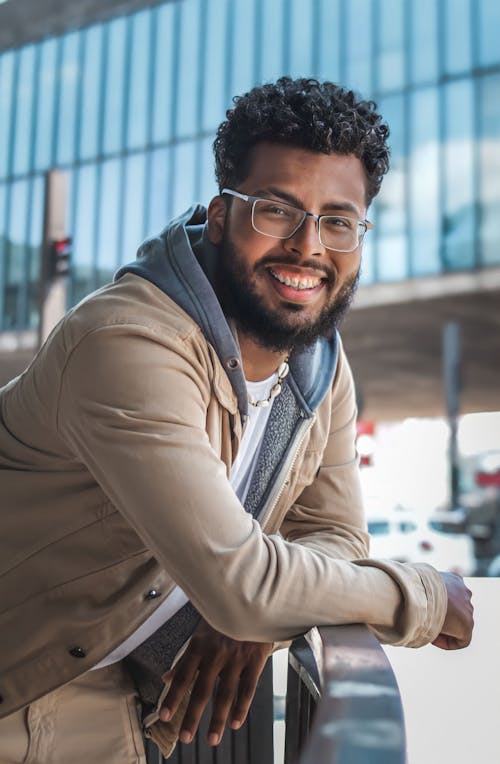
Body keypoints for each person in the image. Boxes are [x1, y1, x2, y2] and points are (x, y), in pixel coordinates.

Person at [0, 77, 473, 763]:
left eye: (339, 221)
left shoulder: (320, 365)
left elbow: (333, 535)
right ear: (221, 215)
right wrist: (422, 596)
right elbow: (243, 581)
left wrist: (263, 615)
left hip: (109, 702)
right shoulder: (127, 342)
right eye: (277, 211)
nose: (310, 246)